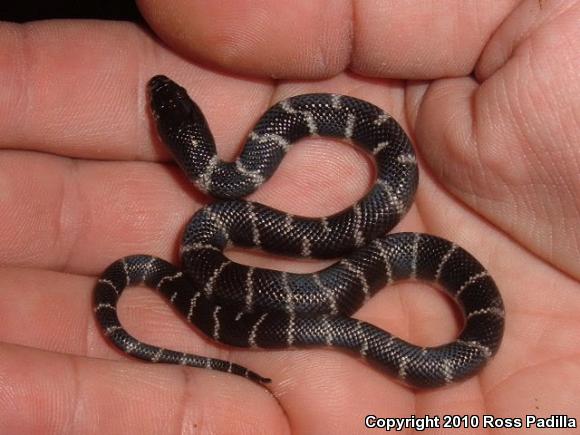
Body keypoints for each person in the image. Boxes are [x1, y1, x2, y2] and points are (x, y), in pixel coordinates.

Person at [0, 1, 578, 432]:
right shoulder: (216, 212)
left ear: (185, 139)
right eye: (161, 109)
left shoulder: (265, 155)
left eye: (162, 108)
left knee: (311, 282)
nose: (160, 106)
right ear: (185, 133)